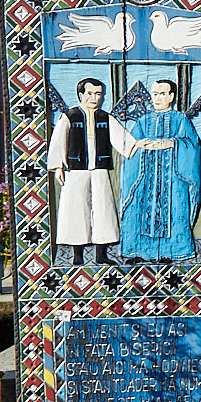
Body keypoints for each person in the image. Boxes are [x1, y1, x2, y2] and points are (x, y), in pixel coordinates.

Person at [46, 77, 135, 265]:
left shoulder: (105, 117)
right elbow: (59, 141)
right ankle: (77, 256)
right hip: (75, 170)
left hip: (100, 169)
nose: (94, 98)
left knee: (103, 209)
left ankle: (101, 254)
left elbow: (124, 140)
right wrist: (58, 167)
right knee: (76, 209)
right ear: (81, 95)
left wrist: (141, 146)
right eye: (90, 93)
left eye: (98, 94)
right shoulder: (70, 116)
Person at [117, 79, 201, 262]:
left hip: (173, 177)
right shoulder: (143, 121)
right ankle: (138, 251)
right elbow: (130, 148)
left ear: (171, 96)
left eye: (162, 94)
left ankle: (172, 251)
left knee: (175, 209)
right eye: (154, 94)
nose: (157, 98)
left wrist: (172, 144)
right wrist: (141, 146)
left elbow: (193, 145)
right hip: (144, 176)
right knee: (138, 207)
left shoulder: (181, 119)